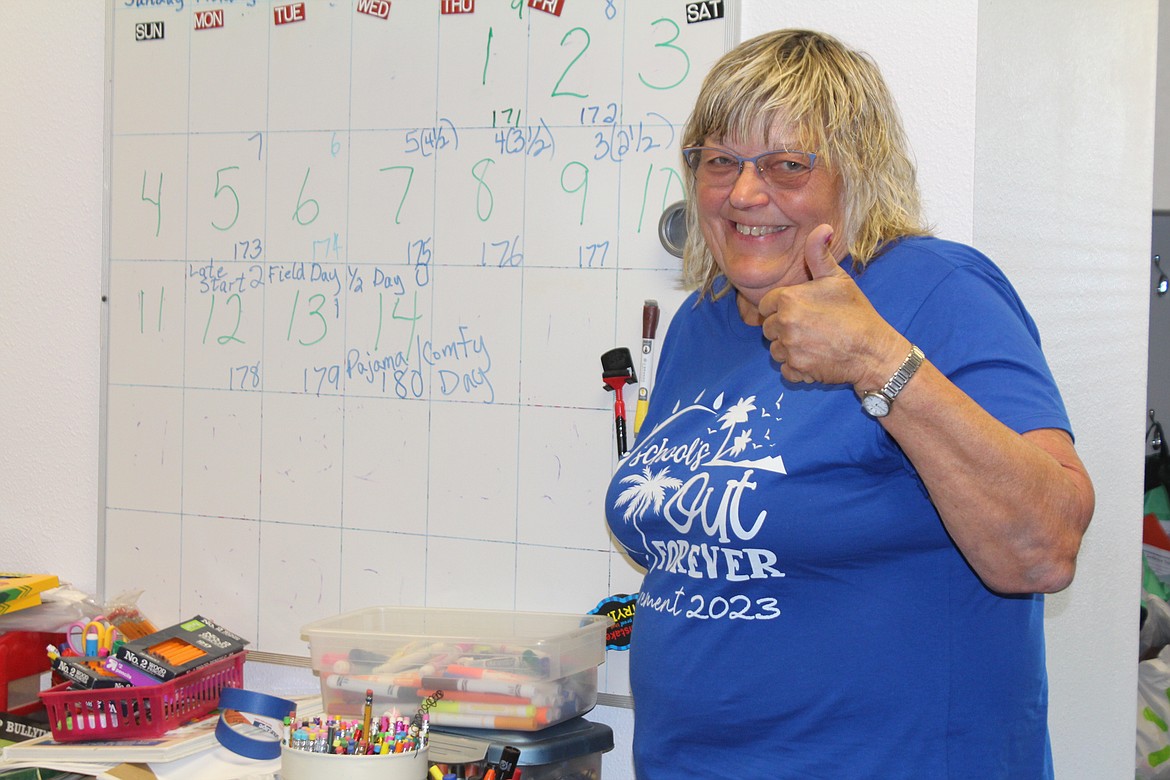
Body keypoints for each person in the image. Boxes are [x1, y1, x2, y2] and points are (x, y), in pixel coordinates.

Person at [604, 28, 1094, 779]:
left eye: (786, 165)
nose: (743, 192)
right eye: (720, 161)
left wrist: (877, 361)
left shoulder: (935, 291)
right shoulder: (700, 323)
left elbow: (1044, 545)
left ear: (856, 174)